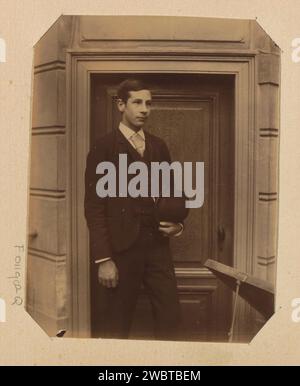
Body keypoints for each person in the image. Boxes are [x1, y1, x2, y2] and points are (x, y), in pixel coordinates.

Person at [84, 78, 186, 340]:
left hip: (157, 248)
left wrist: (178, 225)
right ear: (121, 105)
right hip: (121, 251)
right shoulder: (104, 147)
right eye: (137, 102)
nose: (144, 109)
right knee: (115, 327)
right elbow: (94, 207)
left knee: (170, 319)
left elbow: (174, 193)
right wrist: (104, 259)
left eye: (149, 103)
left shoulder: (158, 146)